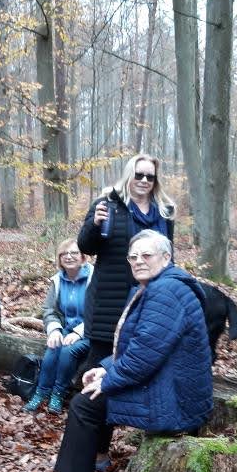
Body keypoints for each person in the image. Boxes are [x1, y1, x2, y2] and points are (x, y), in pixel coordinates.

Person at [49, 230, 213, 472]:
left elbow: (143, 356)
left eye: (146, 255)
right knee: (92, 396)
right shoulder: (156, 286)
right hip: (167, 383)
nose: (138, 261)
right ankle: (98, 460)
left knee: (85, 404)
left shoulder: (166, 292)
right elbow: (140, 345)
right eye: (133, 257)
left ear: (166, 257)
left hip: (175, 398)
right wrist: (106, 367)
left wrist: (109, 380)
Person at [78, 153, 175, 371]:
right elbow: (86, 247)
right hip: (109, 303)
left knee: (139, 365)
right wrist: (94, 225)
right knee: (99, 368)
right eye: (139, 175)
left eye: (150, 177)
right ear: (129, 175)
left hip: (151, 299)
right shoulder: (107, 204)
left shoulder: (164, 212)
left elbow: (169, 257)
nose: (144, 180)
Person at [23, 238, 92, 414]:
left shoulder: (94, 278)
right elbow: (49, 310)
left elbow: (100, 312)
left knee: (68, 351)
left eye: (74, 253)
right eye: (64, 254)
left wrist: (78, 333)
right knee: (53, 349)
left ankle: (58, 393)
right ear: (59, 258)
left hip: (90, 332)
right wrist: (54, 330)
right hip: (66, 329)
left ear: (83, 257)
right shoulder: (58, 280)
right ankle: (41, 392)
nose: (69, 256)